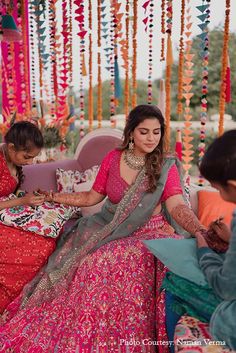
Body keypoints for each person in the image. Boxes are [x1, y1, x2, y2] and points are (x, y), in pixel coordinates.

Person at [0, 105, 206, 353]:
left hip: (152, 232)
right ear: (131, 133)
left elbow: (176, 206)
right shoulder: (113, 159)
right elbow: (90, 198)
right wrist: (54, 197)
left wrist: (199, 229)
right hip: (111, 228)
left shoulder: (165, 165)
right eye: (144, 132)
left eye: (156, 132)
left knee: (119, 259)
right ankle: (85, 334)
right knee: (86, 261)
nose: (151, 138)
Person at [163, 130, 236, 351]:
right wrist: (230, 240)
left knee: (173, 281)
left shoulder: (167, 166)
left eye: (217, 189)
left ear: (232, 185)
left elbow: (226, 289)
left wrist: (204, 251)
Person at [0, 121, 56, 313]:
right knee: (38, 247)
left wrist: (29, 197)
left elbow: (8, 194)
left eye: (33, 158)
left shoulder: (14, 161)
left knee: (49, 238)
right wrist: (23, 201)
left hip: (6, 217)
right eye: (27, 157)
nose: (30, 162)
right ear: (11, 147)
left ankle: (17, 301)